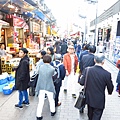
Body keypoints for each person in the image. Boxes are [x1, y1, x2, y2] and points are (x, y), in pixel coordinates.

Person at [79, 53, 114, 120]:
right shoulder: (107, 74)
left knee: (90, 115)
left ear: (94, 60)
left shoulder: (87, 70)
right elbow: (110, 87)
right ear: (103, 62)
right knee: (97, 117)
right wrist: (110, 92)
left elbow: (81, 82)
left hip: (89, 99)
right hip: (99, 100)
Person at [35, 55, 56, 120]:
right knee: (51, 99)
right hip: (49, 86)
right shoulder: (52, 69)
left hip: (41, 85)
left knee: (40, 101)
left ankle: (38, 115)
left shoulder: (40, 67)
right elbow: (54, 74)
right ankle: (53, 111)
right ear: (50, 60)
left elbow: (37, 72)